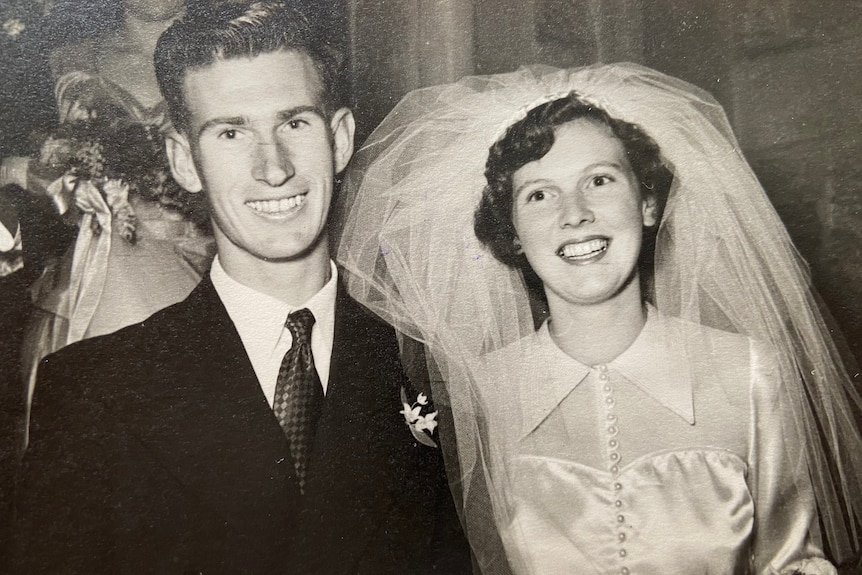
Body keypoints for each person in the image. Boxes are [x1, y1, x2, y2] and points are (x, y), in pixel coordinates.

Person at [334, 64, 862, 574]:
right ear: (513, 232)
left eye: (600, 181)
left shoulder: (749, 373)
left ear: (649, 202)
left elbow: (788, 563)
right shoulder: (480, 396)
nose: (574, 213)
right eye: (539, 194)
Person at [11, 2, 471, 573]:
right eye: (231, 132)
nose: (272, 167)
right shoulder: (91, 391)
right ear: (184, 160)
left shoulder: (434, 368)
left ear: (342, 138)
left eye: (294, 123)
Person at [15, 0, 213, 442]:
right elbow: (26, 163)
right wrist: (54, 177)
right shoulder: (67, 59)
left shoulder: (226, 53)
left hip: (205, 254)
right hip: (98, 258)